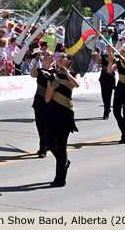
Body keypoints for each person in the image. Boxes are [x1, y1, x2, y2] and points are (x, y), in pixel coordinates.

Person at [45, 52, 80, 187]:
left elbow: (76, 84)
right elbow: (47, 99)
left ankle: (60, 178)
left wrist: (67, 74)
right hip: (53, 111)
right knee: (50, 142)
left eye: (64, 57)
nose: (60, 58)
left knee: (61, 144)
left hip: (66, 112)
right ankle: (64, 161)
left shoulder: (75, 73)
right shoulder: (52, 76)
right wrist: (53, 86)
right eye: (59, 57)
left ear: (69, 62)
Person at [31, 50, 55, 158]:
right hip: (38, 101)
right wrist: (36, 61)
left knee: (47, 126)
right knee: (40, 125)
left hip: (49, 101)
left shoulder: (55, 72)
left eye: (48, 55)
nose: (45, 56)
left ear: (52, 58)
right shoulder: (40, 70)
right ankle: (45, 145)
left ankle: (43, 149)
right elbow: (32, 74)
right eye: (44, 55)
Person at [97, 45, 116, 119]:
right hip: (103, 77)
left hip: (110, 77)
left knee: (109, 95)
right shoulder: (102, 55)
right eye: (107, 47)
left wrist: (112, 57)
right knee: (104, 95)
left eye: (109, 47)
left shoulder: (114, 56)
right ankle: (107, 108)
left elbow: (113, 64)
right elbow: (98, 62)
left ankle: (106, 111)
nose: (107, 48)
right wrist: (98, 53)